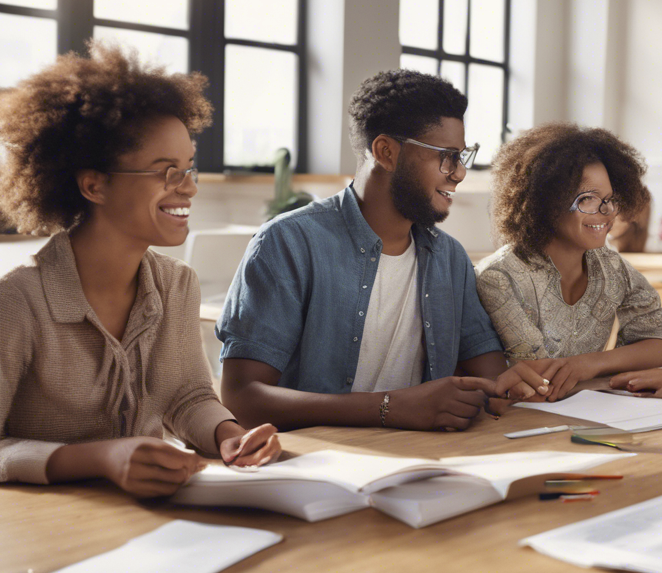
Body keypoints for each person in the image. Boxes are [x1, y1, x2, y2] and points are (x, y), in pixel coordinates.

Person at [0, 43, 280, 496]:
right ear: (94, 185)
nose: (188, 187)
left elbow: (188, 397)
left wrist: (229, 436)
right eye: (166, 171)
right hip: (46, 535)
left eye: (189, 168)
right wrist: (102, 458)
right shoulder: (18, 301)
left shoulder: (175, 283)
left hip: (156, 516)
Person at [216, 70, 509, 432]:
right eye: (447, 156)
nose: (459, 173)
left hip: (425, 462)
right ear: (386, 152)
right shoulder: (289, 243)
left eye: (463, 155)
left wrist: (545, 375)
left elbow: (495, 384)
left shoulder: (449, 259)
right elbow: (242, 398)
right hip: (315, 466)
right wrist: (389, 408)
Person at [477, 123, 662, 402]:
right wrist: (592, 368)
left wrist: (592, 363)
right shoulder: (500, 277)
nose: (606, 212)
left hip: (588, 410)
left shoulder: (610, 266)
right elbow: (542, 378)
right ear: (545, 202)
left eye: (609, 199)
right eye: (587, 199)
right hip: (519, 421)